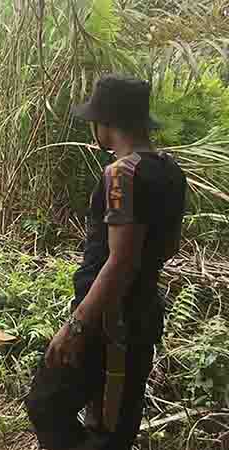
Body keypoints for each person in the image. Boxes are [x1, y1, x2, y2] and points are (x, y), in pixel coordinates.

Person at [25, 74, 187, 450]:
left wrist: (76, 327)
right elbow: (169, 247)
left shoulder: (120, 174)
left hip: (110, 323)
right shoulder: (170, 169)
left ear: (106, 123)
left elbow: (120, 262)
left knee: (47, 404)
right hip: (142, 313)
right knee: (112, 420)